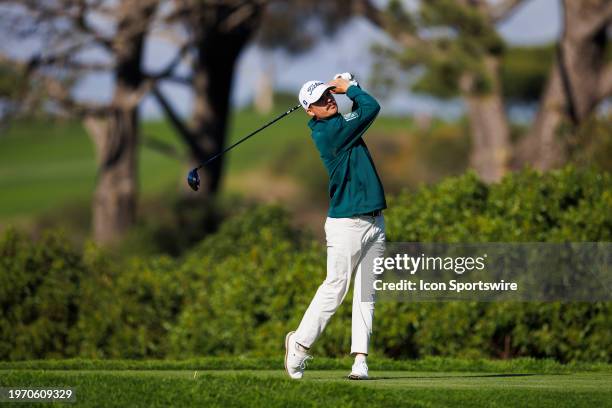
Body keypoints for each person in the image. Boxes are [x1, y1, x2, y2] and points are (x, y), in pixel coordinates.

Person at [284, 73, 387, 380]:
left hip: (375, 220)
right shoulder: (330, 132)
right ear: (310, 111)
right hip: (347, 224)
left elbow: (363, 107)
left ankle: (360, 361)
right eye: (319, 100)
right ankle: (299, 344)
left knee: (366, 293)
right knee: (336, 287)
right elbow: (371, 106)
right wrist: (350, 88)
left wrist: (344, 87)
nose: (328, 100)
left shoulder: (341, 124)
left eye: (328, 95)